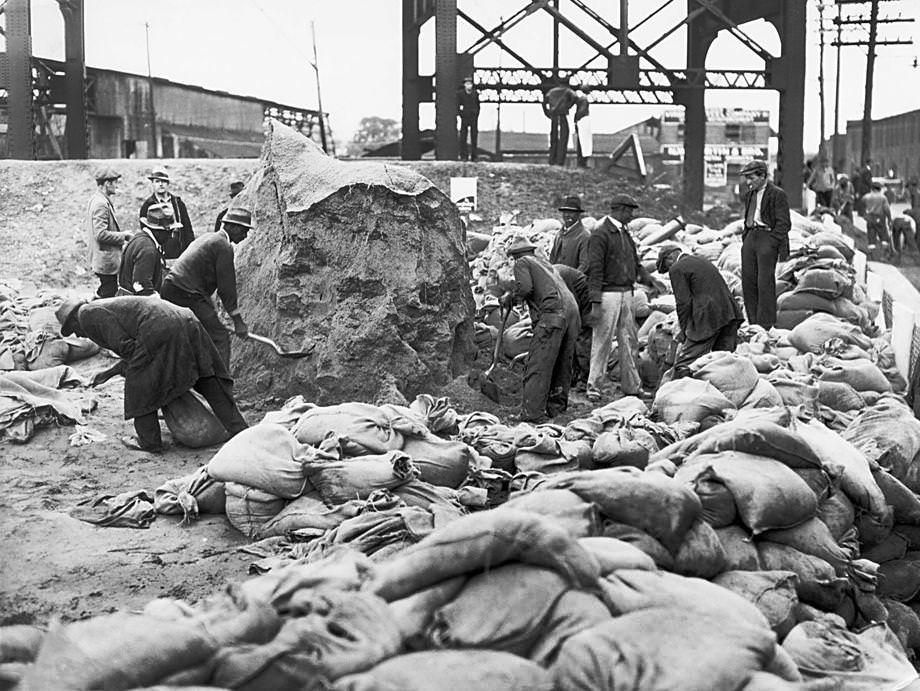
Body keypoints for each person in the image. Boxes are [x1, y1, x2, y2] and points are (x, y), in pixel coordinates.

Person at [55, 296, 248, 453]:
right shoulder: (99, 307)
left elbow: (128, 348)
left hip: (159, 325)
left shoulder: (86, 316)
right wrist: (109, 372)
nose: (78, 336)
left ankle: (149, 442)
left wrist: (139, 375)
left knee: (139, 384)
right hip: (183, 317)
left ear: (74, 319)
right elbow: (133, 347)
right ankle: (240, 429)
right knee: (206, 375)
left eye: (73, 330)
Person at [584, 194, 664, 401]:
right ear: (619, 210)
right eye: (629, 211)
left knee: (629, 340)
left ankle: (632, 386)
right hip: (607, 294)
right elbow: (595, 270)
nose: (631, 215)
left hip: (626, 292)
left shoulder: (624, 234)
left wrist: (649, 280)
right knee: (602, 340)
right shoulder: (601, 235)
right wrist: (595, 302)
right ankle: (593, 385)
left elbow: (635, 264)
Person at [500, 237, 580, 422]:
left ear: (514, 256)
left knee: (539, 363)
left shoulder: (522, 263)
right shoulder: (545, 264)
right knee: (562, 363)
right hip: (572, 313)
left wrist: (510, 297)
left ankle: (532, 413)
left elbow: (526, 288)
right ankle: (556, 408)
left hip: (553, 314)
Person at [161, 208, 252, 368]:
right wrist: (238, 322)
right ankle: (221, 385)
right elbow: (226, 288)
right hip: (185, 294)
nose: (245, 236)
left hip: (172, 288)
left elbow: (201, 279)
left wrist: (211, 311)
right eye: (244, 231)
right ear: (234, 227)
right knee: (220, 337)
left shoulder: (209, 238)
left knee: (191, 334)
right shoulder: (223, 246)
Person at [655, 244, 743, 379]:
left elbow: (683, 303)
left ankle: (677, 394)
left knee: (685, 363)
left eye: (666, 266)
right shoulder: (701, 260)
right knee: (723, 361)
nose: (668, 270)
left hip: (708, 317)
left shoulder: (677, 268)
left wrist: (685, 330)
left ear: (670, 257)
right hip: (729, 313)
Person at [739, 159, 791, 330]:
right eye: (746, 178)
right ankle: (753, 323)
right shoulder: (750, 195)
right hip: (751, 237)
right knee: (748, 281)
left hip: (766, 237)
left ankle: (766, 324)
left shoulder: (777, 194)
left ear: (762, 176)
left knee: (764, 282)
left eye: (751, 177)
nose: (748, 182)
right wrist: (746, 237)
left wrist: (772, 241)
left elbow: (784, 223)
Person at [85, 168, 131, 300]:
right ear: (107, 184)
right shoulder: (101, 204)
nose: (117, 186)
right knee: (108, 292)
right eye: (115, 182)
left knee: (107, 290)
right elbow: (100, 234)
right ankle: (87, 311)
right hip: (105, 260)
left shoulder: (98, 199)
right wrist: (124, 236)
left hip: (103, 258)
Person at [139, 169, 195, 260]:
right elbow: (145, 232)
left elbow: (188, 228)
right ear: (152, 184)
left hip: (181, 254)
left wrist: (191, 251)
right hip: (160, 254)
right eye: (157, 181)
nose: (161, 184)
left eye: (163, 181)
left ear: (168, 183)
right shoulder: (148, 205)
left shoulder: (177, 203)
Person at [116, 204, 169, 296]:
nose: (171, 236)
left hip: (126, 298)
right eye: (168, 232)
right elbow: (141, 285)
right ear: (159, 231)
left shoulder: (140, 237)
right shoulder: (148, 249)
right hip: (135, 304)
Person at [554, 263, 592, 389]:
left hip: (583, 294)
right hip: (574, 292)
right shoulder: (546, 274)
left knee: (581, 335)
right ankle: (573, 375)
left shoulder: (550, 277)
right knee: (571, 335)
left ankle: (584, 378)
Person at [549, 195, 591, 273]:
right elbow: (552, 258)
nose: (567, 215)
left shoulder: (584, 235)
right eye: (565, 212)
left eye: (571, 212)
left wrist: (572, 279)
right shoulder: (559, 234)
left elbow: (584, 265)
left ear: (578, 214)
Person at [542, 81, 578, 166]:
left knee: (553, 137)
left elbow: (544, 102)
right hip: (562, 115)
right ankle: (560, 160)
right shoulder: (567, 90)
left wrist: (547, 112)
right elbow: (575, 97)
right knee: (563, 137)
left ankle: (552, 160)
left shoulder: (551, 91)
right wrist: (568, 106)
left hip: (554, 116)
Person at [861, 181, 892, 260]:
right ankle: (884, 255)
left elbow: (861, 207)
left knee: (871, 237)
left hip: (870, 219)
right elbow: (886, 209)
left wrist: (865, 215)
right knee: (883, 237)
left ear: (872, 188)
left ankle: (872, 257)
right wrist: (889, 219)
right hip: (880, 218)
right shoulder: (882, 198)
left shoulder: (866, 197)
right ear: (880, 189)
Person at [457, 77, 480, 162]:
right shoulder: (460, 94)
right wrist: (461, 114)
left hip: (473, 117)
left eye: (470, 84)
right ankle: (464, 156)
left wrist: (476, 114)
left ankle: (474, 156)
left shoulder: (475, 94)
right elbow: (457, 106)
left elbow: (478, 106)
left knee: (474, 137)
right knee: (463, 137)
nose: (469, 85)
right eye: (467, 84)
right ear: (464, 85)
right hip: (465, 117)